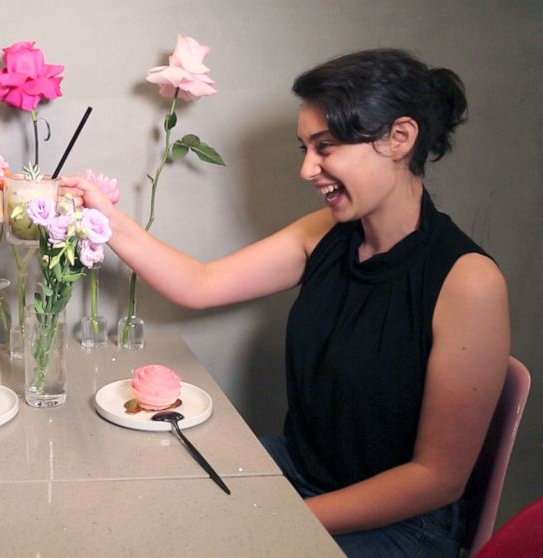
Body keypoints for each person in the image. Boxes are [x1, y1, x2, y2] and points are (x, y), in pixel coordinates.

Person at [63, 48, 510, 557]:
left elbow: (437, 479)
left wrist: (275, 512)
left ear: (400, 138)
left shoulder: (468, 282)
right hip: (297, 472)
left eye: (326, 147)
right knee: (148, 510)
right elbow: (202, 283)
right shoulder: (329, 234)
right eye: (305, 148)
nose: (307, 169)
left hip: (403, 525)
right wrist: (104, 217)